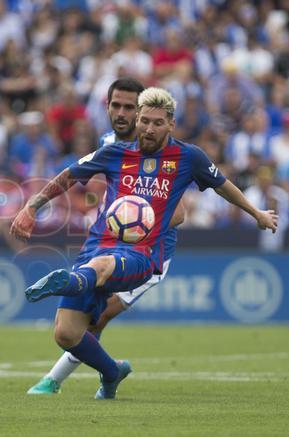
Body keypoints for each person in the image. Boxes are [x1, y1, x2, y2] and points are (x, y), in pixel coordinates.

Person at [10, 86, 278, 400]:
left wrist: (256, 212)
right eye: (145, 121)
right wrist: (32, 207)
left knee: (102, 277)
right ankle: (111, 372)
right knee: (66, 333)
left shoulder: (187, 157)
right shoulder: (113, 152)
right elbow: (69, 175)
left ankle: (69, 284)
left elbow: (221, 186)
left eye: (157, 123)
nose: (149, 129)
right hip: (99, 243)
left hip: (142, 253)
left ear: (171, 124)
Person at [26, 77, 185, 395]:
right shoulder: (109, 142)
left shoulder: (162, 148)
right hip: (109, 243)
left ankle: (55, 380)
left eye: (130, 107)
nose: (122, 112)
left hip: (149, 251)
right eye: (116, 105)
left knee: (98, 317)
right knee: (81, 316)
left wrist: (136, 225)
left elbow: (178, 214)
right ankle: (109, 373)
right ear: (107, 107)